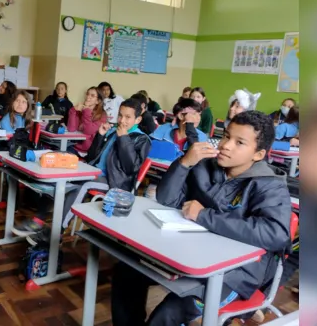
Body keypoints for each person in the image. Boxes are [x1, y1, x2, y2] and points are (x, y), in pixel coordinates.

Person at [111, 111, 291, 326]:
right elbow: (167, 199)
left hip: (237, 275)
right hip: (192, 253)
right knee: (126, 272)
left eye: (239, 142)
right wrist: (184, 163)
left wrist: (204, 215)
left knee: (171, 311)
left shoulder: (269, 185)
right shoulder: (206, 165)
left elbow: (275, 234)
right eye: (226, 136)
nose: (226, 145)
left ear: (258, 154)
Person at [13, 99, 151, 246]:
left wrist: (123, 138)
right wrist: (100, 135)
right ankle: (38, 220)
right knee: (60, 177)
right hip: (94, 171)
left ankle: (57, 232)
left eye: (127, 117)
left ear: (138, 119)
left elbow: (131, 167)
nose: (122, 120)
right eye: (120, 115)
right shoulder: (112, 131)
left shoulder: (142, 139)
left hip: (114, 182)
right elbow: (92, 156)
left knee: (82, 184)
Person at [66, 87, 109, 155]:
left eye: (92, 95)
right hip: (74, 147)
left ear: (98, 101)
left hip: (88, 151)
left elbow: (88, 130)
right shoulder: (81, 111)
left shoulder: (102, 115)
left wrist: (86, 111)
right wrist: (73, 111)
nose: (88, 97)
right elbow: (71, 129)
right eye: (87, 94)